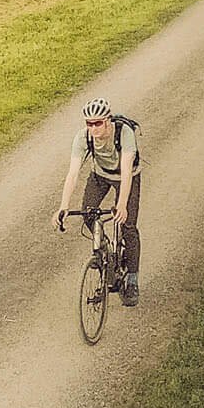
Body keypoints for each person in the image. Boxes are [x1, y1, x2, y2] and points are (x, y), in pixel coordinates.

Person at [55, 97, 142, 306]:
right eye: (89, 123)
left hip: (126, 176)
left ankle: (131, 281)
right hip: (100, 175)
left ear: (108, 120)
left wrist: (121, 204)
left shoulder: (124, 134)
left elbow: (127, 172)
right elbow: (73, 174)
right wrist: (63, 207)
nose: (93, 128)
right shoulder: (83, 138)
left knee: (127, 226)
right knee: (88, 213)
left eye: (98, 123)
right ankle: (103, 251)